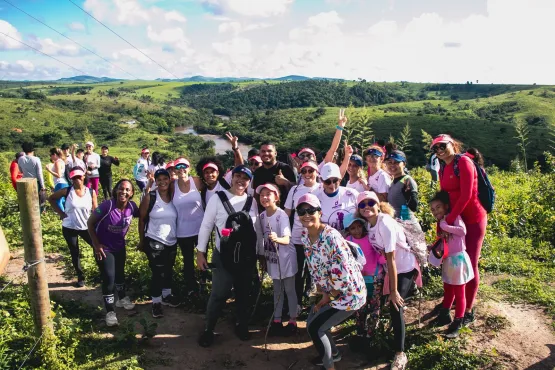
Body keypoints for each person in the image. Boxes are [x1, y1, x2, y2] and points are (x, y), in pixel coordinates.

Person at [297, 194, 366, 370]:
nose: (306, 214)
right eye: (302, 211)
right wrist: (325, 295)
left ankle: (330, 366)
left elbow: (343, 274)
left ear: (320, 212)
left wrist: (330, 296)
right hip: (334, 292)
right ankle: (333, 354)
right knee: (313, 318)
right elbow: (315, 269)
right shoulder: (305, 236)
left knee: (315, 328)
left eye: (311, 210)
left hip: (349, 294)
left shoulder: (331, 237)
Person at [196, 165, 263, 347]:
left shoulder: (252, 202)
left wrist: (261, 254)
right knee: (218, 294)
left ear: (250, 182)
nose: (241, 181)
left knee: (243, 294)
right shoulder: (218, 199)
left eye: (245, 178)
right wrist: (200, 253)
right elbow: (206, 226)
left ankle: (242, 325)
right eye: (238, 176)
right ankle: (209, 329)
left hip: (246, 257)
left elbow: (256, 230)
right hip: (222, 256)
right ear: (231, 178)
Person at [357, 191, 420, 370]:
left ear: (378, 205)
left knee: (395, 306)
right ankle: (378, 337)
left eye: (371, 203)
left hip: (405, 268)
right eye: (362, 204)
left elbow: (391, 259)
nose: (367, 207)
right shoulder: (369, 226)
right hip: (389, 270)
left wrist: (394, 291)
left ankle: (400, 353)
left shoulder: (385, 224)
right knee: (381, 303)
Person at [432, 134, 487, 327]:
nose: (439, 150)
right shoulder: (443, 167)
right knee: (451, 259)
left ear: (452, 144)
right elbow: (445, 196)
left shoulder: (463, 162)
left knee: (469, 263)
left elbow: (466, 195)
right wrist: (440, 218)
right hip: (454, 219)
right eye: (435, 149)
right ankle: (453, 302)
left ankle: (468, 310)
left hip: (472, 219)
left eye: (442, 146)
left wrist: (449, 219)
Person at [87, 179, 139, 327]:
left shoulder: (131, 207)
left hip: (120, 247)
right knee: (109, 278)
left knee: (120, 274)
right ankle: (110, 311)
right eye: (121, 189)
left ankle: (121, 298)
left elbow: (142, 215)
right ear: (116, 190)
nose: (124, 192)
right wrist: (96, 245)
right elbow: (90, 223)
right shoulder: (106, 206)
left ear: (132, 193)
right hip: (105, 249)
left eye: (127, 190)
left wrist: (148, 190)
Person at [428, 191, 474, 338]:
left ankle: (458, 321)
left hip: (458, 260)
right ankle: (444, 314)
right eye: (433, 209)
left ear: (446, 206)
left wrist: (445, 225)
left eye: (438, 207)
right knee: (448, 289)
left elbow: (462, 231)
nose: (436, 211)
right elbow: (445, 242)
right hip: (448, 261)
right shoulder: (441, 223)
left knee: (460, 293)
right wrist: (434, 248)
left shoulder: (453, 218)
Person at [258, 183, 298, 336]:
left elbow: (287, 239)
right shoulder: (262, 216)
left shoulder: (282, 215)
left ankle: (293, 319)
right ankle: (277, 319)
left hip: (286, 259)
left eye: (268, 194)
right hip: (273, 260)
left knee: (289, 290)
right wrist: (262, 257)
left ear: (276, 197)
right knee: (277, 290)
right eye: (262, 195)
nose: (265, 197)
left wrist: (277, 238)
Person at [138, 169, 180, 318]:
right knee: (158, 272)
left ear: (169, 180)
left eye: (165, 178)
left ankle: (166, 296)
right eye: (159, 179)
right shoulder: (151, 197)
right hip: (154, 239)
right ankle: (156, 302)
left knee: (168, 269)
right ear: (155, 181)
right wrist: (142, 241)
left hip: (172, 240)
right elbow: (142, 219)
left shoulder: (175, 197)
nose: (162, 181)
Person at [343, 213, 386, 355]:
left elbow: (379, 254)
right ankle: (360, 333)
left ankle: (370, 335)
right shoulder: (347, 242)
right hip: (358, 280)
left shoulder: (370, 238)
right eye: (353, 228)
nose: (357, 230)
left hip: (375, 277)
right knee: (360, 308)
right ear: (348, 230)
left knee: (374, 307)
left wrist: (384, 259)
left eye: (359, 226)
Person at [48, 167, 98, 287]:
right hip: (69, 227)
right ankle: (80, 277)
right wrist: (61, 213)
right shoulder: (67, 191)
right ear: (71, 178)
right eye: (74, 177)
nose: (77, 179)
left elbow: (96, 210)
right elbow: (51, 199)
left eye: (79, 176)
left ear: (84, 176)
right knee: (74, 252)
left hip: (86, 227)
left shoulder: (91, 192)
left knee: (97, 247)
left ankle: (102, 272)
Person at [284, 161, 321, 313]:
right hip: (297, 238)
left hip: (316, 239)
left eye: (310, 170)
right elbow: (287, 213)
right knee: (297, 272)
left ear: (317, 172)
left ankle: (315, 305)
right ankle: (297, 303)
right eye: (304, 170)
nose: (307, 173)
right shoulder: (294, 189)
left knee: (317, 273)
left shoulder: (321, 189)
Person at [171, 157, 205, 298]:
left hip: (201, 229)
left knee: (202, 256)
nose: (181, 169)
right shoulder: (172, 186)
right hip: (182, 231)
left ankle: (203, 283)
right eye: (178, 167)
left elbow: (212, 190)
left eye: (184, 166)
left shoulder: (196, 181)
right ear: (175, 170)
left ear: (189, 168)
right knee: (188, 260)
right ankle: (191, 288)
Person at [315, 162, 358, 231]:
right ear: (322, 180)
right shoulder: (316, 200)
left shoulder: (352, 193)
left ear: (340, 179)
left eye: (335, 181)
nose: (332, 185)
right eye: (327, 182)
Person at [252, 142, 297, 209]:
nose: (266, 153)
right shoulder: (258, 172)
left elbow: (296, 191)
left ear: (275, 153)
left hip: (284, 212)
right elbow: (256, 195)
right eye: (263, 151)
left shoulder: (285, 168)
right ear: (260, 154)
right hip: (264, 213)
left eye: (269, 151)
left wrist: (286, 182)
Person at [385, 150, 419, 221]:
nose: (392, 165)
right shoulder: (393, 182)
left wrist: (408, 195)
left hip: (407, 225)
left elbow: (414, 207)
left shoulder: (407, 180)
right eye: (389, 162)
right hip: (397, 223)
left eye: (396, 162)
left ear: (404, 164)